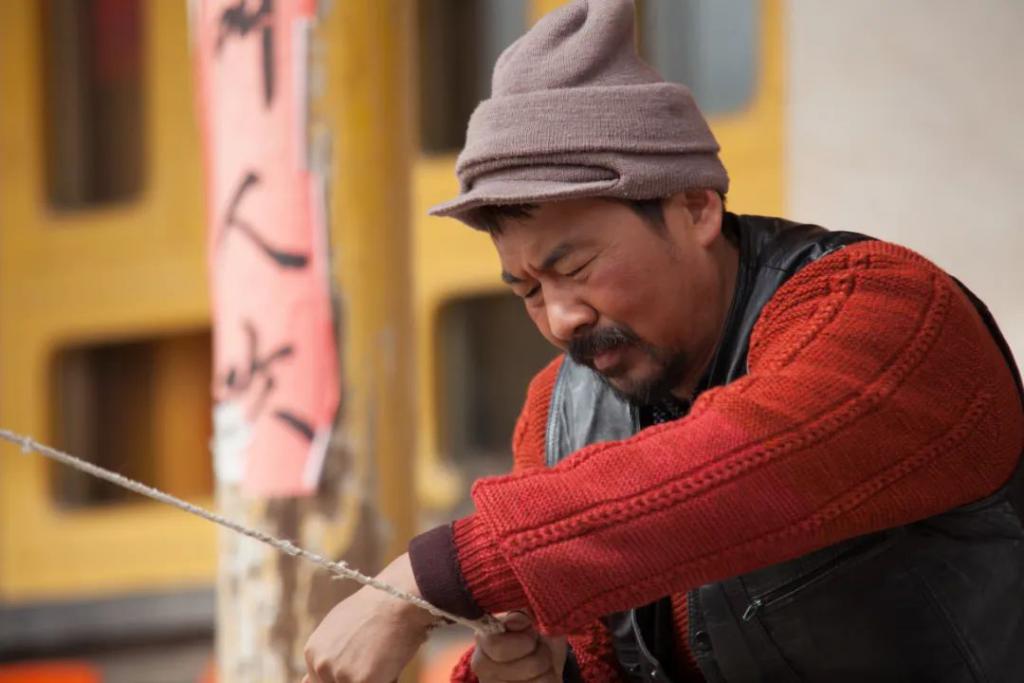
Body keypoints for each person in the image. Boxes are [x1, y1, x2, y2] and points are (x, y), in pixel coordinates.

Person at [302, 1, 1024, 681]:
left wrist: (427, 577)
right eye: (527, 290)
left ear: (695, 207)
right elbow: (597, 655)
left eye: (574, 268)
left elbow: (735, 465)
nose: (561, 320)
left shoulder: (885, 311)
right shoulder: (557, 413)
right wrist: (546, 671)